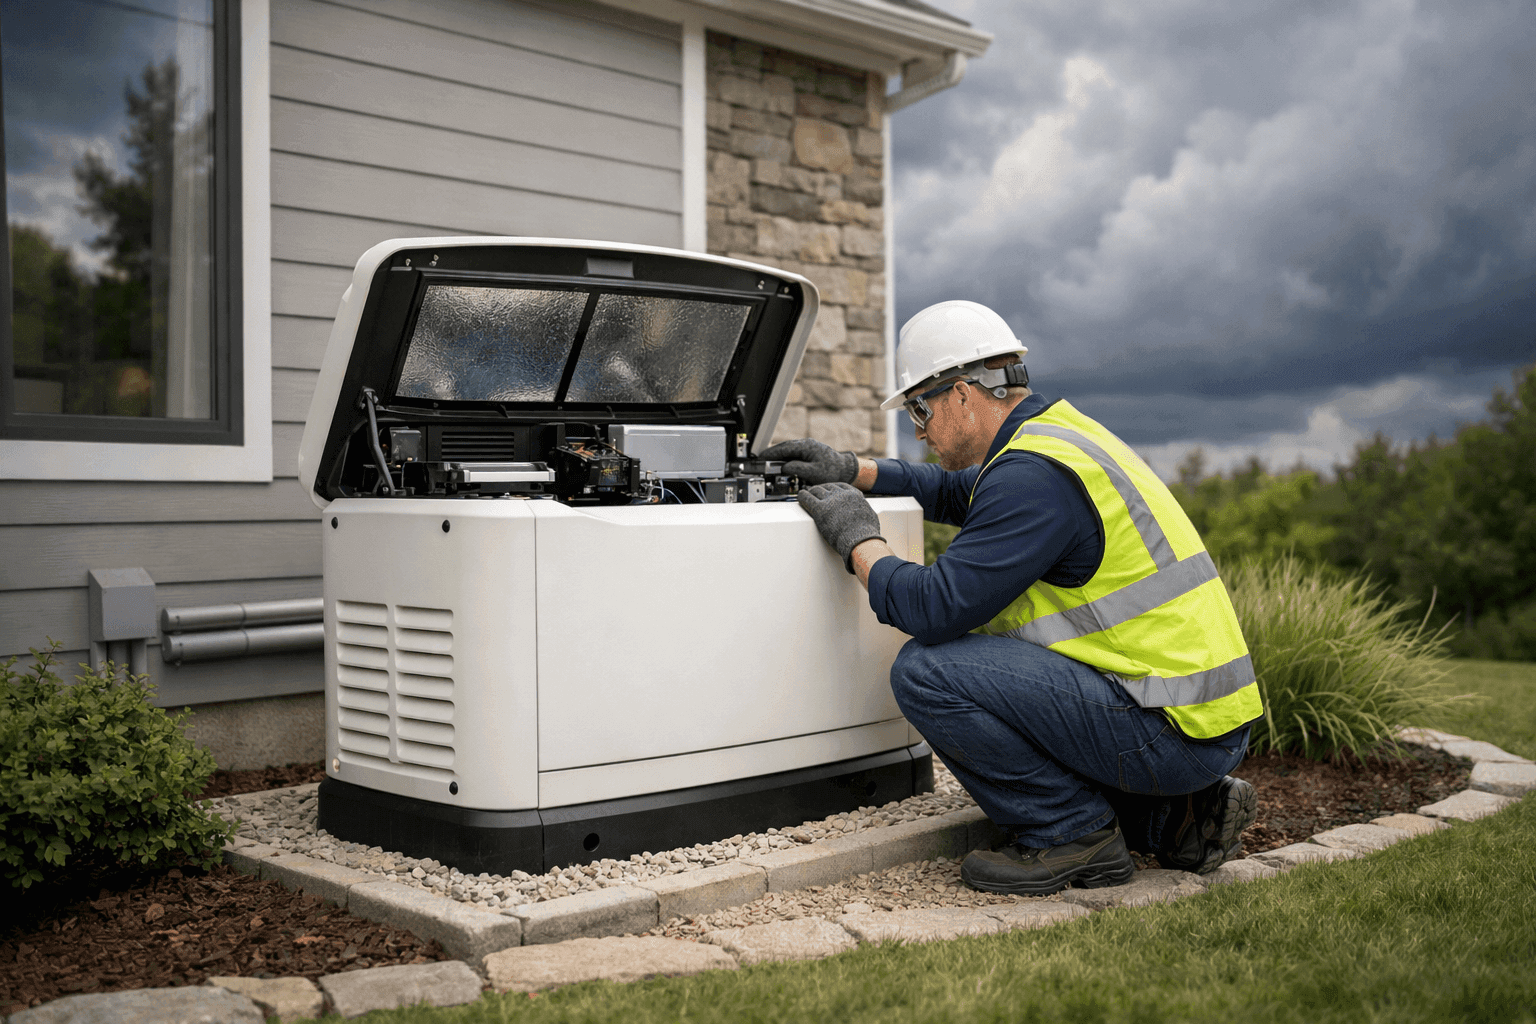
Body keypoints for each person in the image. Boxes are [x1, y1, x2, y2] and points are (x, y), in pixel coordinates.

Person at [761, 299, 1264, 895]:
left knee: (929, 672)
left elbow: (933, 607)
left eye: (920, 407)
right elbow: (953, 491)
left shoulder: (1032, 477)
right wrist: (855, 469)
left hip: (1168, 732)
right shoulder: (1057, 440)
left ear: (964, 394)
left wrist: (858, 540)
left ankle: (1073, 836)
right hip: (1199, 721)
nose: (918, 429)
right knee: (975, 670)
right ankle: (1173, 816)